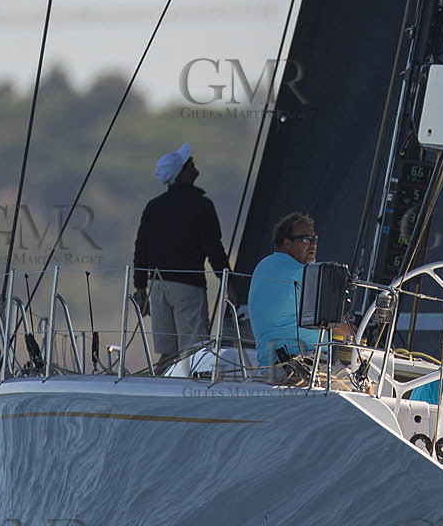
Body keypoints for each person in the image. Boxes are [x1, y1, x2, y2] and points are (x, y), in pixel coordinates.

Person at [132, 143, 232, 362]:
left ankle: (159, 388)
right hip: (187, 287)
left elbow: (141, 249)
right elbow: (214, 249)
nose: (194, 164)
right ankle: (189, 391)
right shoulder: (202, 205)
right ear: (181, 174)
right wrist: (230, 283)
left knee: (168, 352)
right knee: (195, 351)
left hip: (157, 288)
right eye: (189, 163)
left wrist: (140, 289)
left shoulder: (153, 207)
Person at [247, 212, 352, 374]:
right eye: (305, 239)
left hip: (271, 366)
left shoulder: (264, 265)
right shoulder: (302, 274)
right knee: (366, 385)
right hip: (298, 366)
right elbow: (339, 327)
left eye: (314, 239)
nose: (313, 245)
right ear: (286, 243)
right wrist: (357, 338)